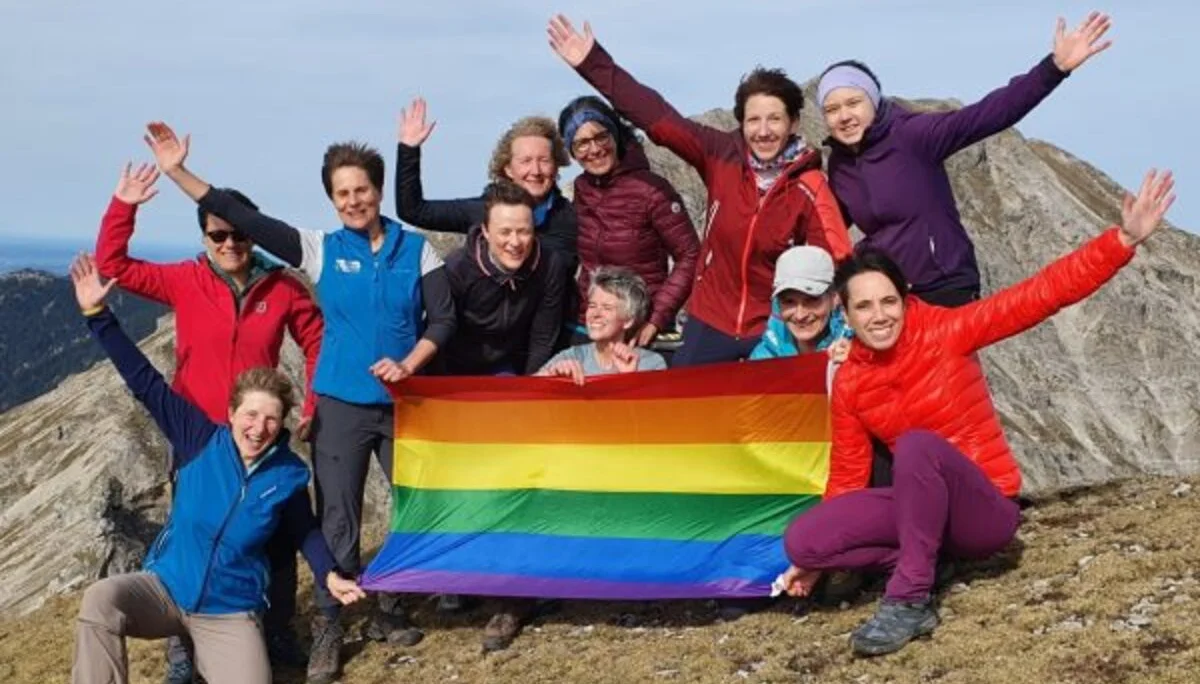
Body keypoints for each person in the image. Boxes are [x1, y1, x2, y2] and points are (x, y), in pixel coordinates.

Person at [778, 170, 1175, 656]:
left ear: (905, 299)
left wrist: (1123, 240)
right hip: (922, 510)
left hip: (984, 509)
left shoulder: (948, 331)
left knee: (918, 447)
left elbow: (1038, 296)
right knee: (803, 538)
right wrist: (819, 556)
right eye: (864, 307)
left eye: (888, 301)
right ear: (847, 311)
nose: (879, 315)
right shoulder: (851, 380)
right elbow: (846, 478)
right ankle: (927, 560)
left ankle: (910, 599)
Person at [142, 122, 455, 684]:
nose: (353, 201)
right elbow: (250, 222)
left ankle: (390, 605)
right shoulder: (320, 250)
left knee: (415, 505)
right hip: (340, 405)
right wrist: (178, 173)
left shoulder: (419, 249)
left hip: (408, 403)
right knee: (337, 520)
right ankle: (331, 627)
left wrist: (411, 363)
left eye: (361, 189)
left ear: (378, 191)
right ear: (332, 200)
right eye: (342, 193)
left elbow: (445, 319)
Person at [68, 253, 365, 684]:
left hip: (229, 613)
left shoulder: (287, 474)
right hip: (166, 590)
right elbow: (143, 380)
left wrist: (330, 574)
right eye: (250, 415)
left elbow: (305, 531)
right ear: (231, 413)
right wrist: (97, 314)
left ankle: (221, 646)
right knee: (100, 600)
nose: (258, 427)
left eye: (270, 418)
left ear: (282, 421)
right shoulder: (199, 438)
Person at [94, 163, 324, 680]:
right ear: (205, 236)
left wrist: (312, 404)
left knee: (278, 538)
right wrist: (124, 204)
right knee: (193, 537)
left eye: (240, 233)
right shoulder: (185, 279)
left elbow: (316, 339)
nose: (230, 243)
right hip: (195, 436)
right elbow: (113, 263)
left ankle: (275, 628)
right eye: (218, 234)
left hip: (260, 434)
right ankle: (184, 647)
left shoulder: (282, 287)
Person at [547, 14, 852, 366]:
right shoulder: (720, 155)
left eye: (775, 119)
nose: (763, 131)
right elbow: (660, 120)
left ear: (793, 123)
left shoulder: (808, 186)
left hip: (770, 323)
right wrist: (594, 64)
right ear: (741, 122)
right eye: (754, 119)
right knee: (683, 404)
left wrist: (847, 330)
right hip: (710, 319)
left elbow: (838, 258)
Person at [817, 11, 1112, 307]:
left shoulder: (912, 135)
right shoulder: (840, 165)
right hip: (890, 297)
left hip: (944, 287)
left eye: (854, 103)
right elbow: (825, 227)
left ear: (874, 100)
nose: (844, 116)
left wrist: (1054, 68)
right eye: (832, 110)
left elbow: (988, 114)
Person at [557, 95, 699, 347]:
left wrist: (656, 319)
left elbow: (690, 255)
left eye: (601, 136)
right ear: (572, 151)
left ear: (615, 134)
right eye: (581, 143)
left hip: (639, 326)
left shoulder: (652, 189)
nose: (594, 149)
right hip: (588, 325)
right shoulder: (581, 188)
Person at [396, 99, 577, 260]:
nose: (535, 171)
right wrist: (409, 151)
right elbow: (413, 210)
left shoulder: (572, 218)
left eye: (544, 160)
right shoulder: (483, 211)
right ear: (508, 169)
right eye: (526, 161)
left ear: (556, 165)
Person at [437, 181, 567, 376]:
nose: (515, 242)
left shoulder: (550, 265)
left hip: (507, 363)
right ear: (486, 232)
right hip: (454, 364)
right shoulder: (457, 269)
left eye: (523, 232)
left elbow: (543, 336)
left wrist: (530, 387)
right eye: (505, 232)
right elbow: (439, 330)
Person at [540, 266, 668, 385]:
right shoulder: (573, 356)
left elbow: (655, 407)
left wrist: (629, 378)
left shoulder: (651, 363)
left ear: (628, 320)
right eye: (592, 306)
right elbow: (528, 390)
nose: (595, 314)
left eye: (607, 308)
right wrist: (552, 375)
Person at [749, 246, 851, 362]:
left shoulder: (857, 352)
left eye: (812, 300)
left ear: (834, 299)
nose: (800, 315)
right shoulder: (763, 357)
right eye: (789, 302)